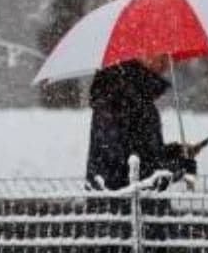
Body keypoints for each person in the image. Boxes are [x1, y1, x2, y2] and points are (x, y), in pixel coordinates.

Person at [85, 54, 198, 192]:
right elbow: (124, 167)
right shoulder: (118, 96)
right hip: (123, 206)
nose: (167, 61)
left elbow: (143, 151)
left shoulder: (137, 94)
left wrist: (176, 153)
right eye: (160, 55)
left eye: (167, 57)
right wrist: (176, 166)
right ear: (138, 53)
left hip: (129, 205)